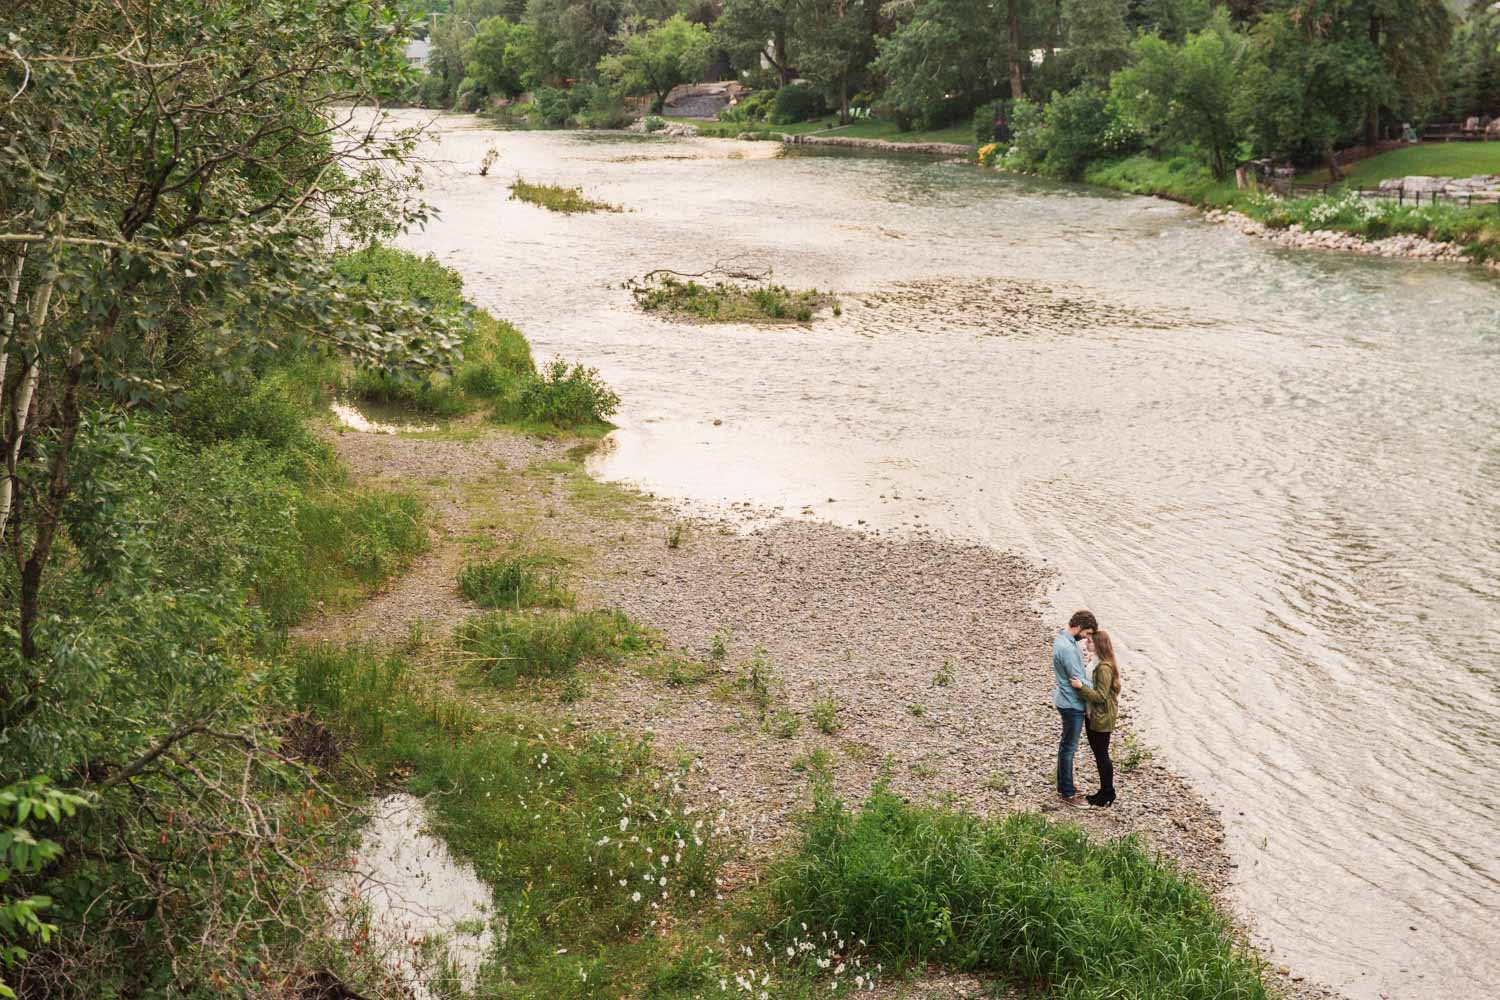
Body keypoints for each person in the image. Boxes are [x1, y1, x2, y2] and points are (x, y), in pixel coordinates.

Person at [1071, 628, 1120, 806]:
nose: (1087, 643)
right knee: (1098, 753)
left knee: (1102, 755)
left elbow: (1100, 696)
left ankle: (1108, 792)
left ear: (1099, 644)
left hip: (1101, 717)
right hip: (1093, 715)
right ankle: (1104, 790)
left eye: (1090, 641)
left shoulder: (1104, 668)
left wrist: (1079, 687)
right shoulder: (1096, 662)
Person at [1053, 609, 1097, 805]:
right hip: (1072, 703)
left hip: (1064, 699)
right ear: (1079, 627)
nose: (1086, 637)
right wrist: (1101, 691)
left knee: (1065, 746)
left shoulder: (1061, 639)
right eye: (1087, 633)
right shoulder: (1069, 649)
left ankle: (1063, 785)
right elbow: (1077, 680)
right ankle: (1068, 793)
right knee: (1069, 748)